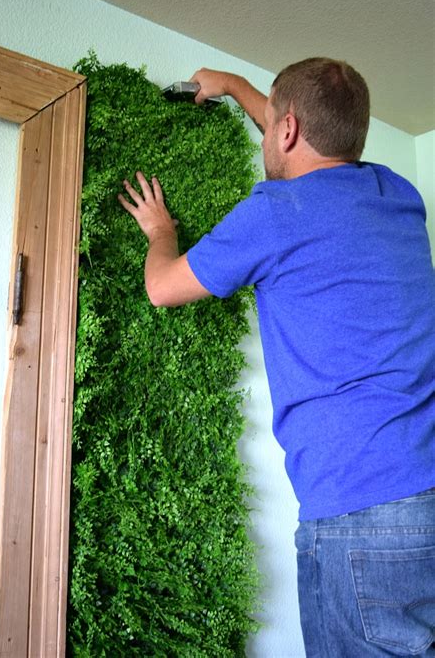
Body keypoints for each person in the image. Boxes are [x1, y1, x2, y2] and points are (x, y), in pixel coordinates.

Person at [118, 58, 435, 656]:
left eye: (271, 126)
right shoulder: (398, 194)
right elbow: (312, 134)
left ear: (285, 130)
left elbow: (162, 288)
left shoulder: (276, 213)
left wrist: (162, 232)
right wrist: (237, 88)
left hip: (359, 514)